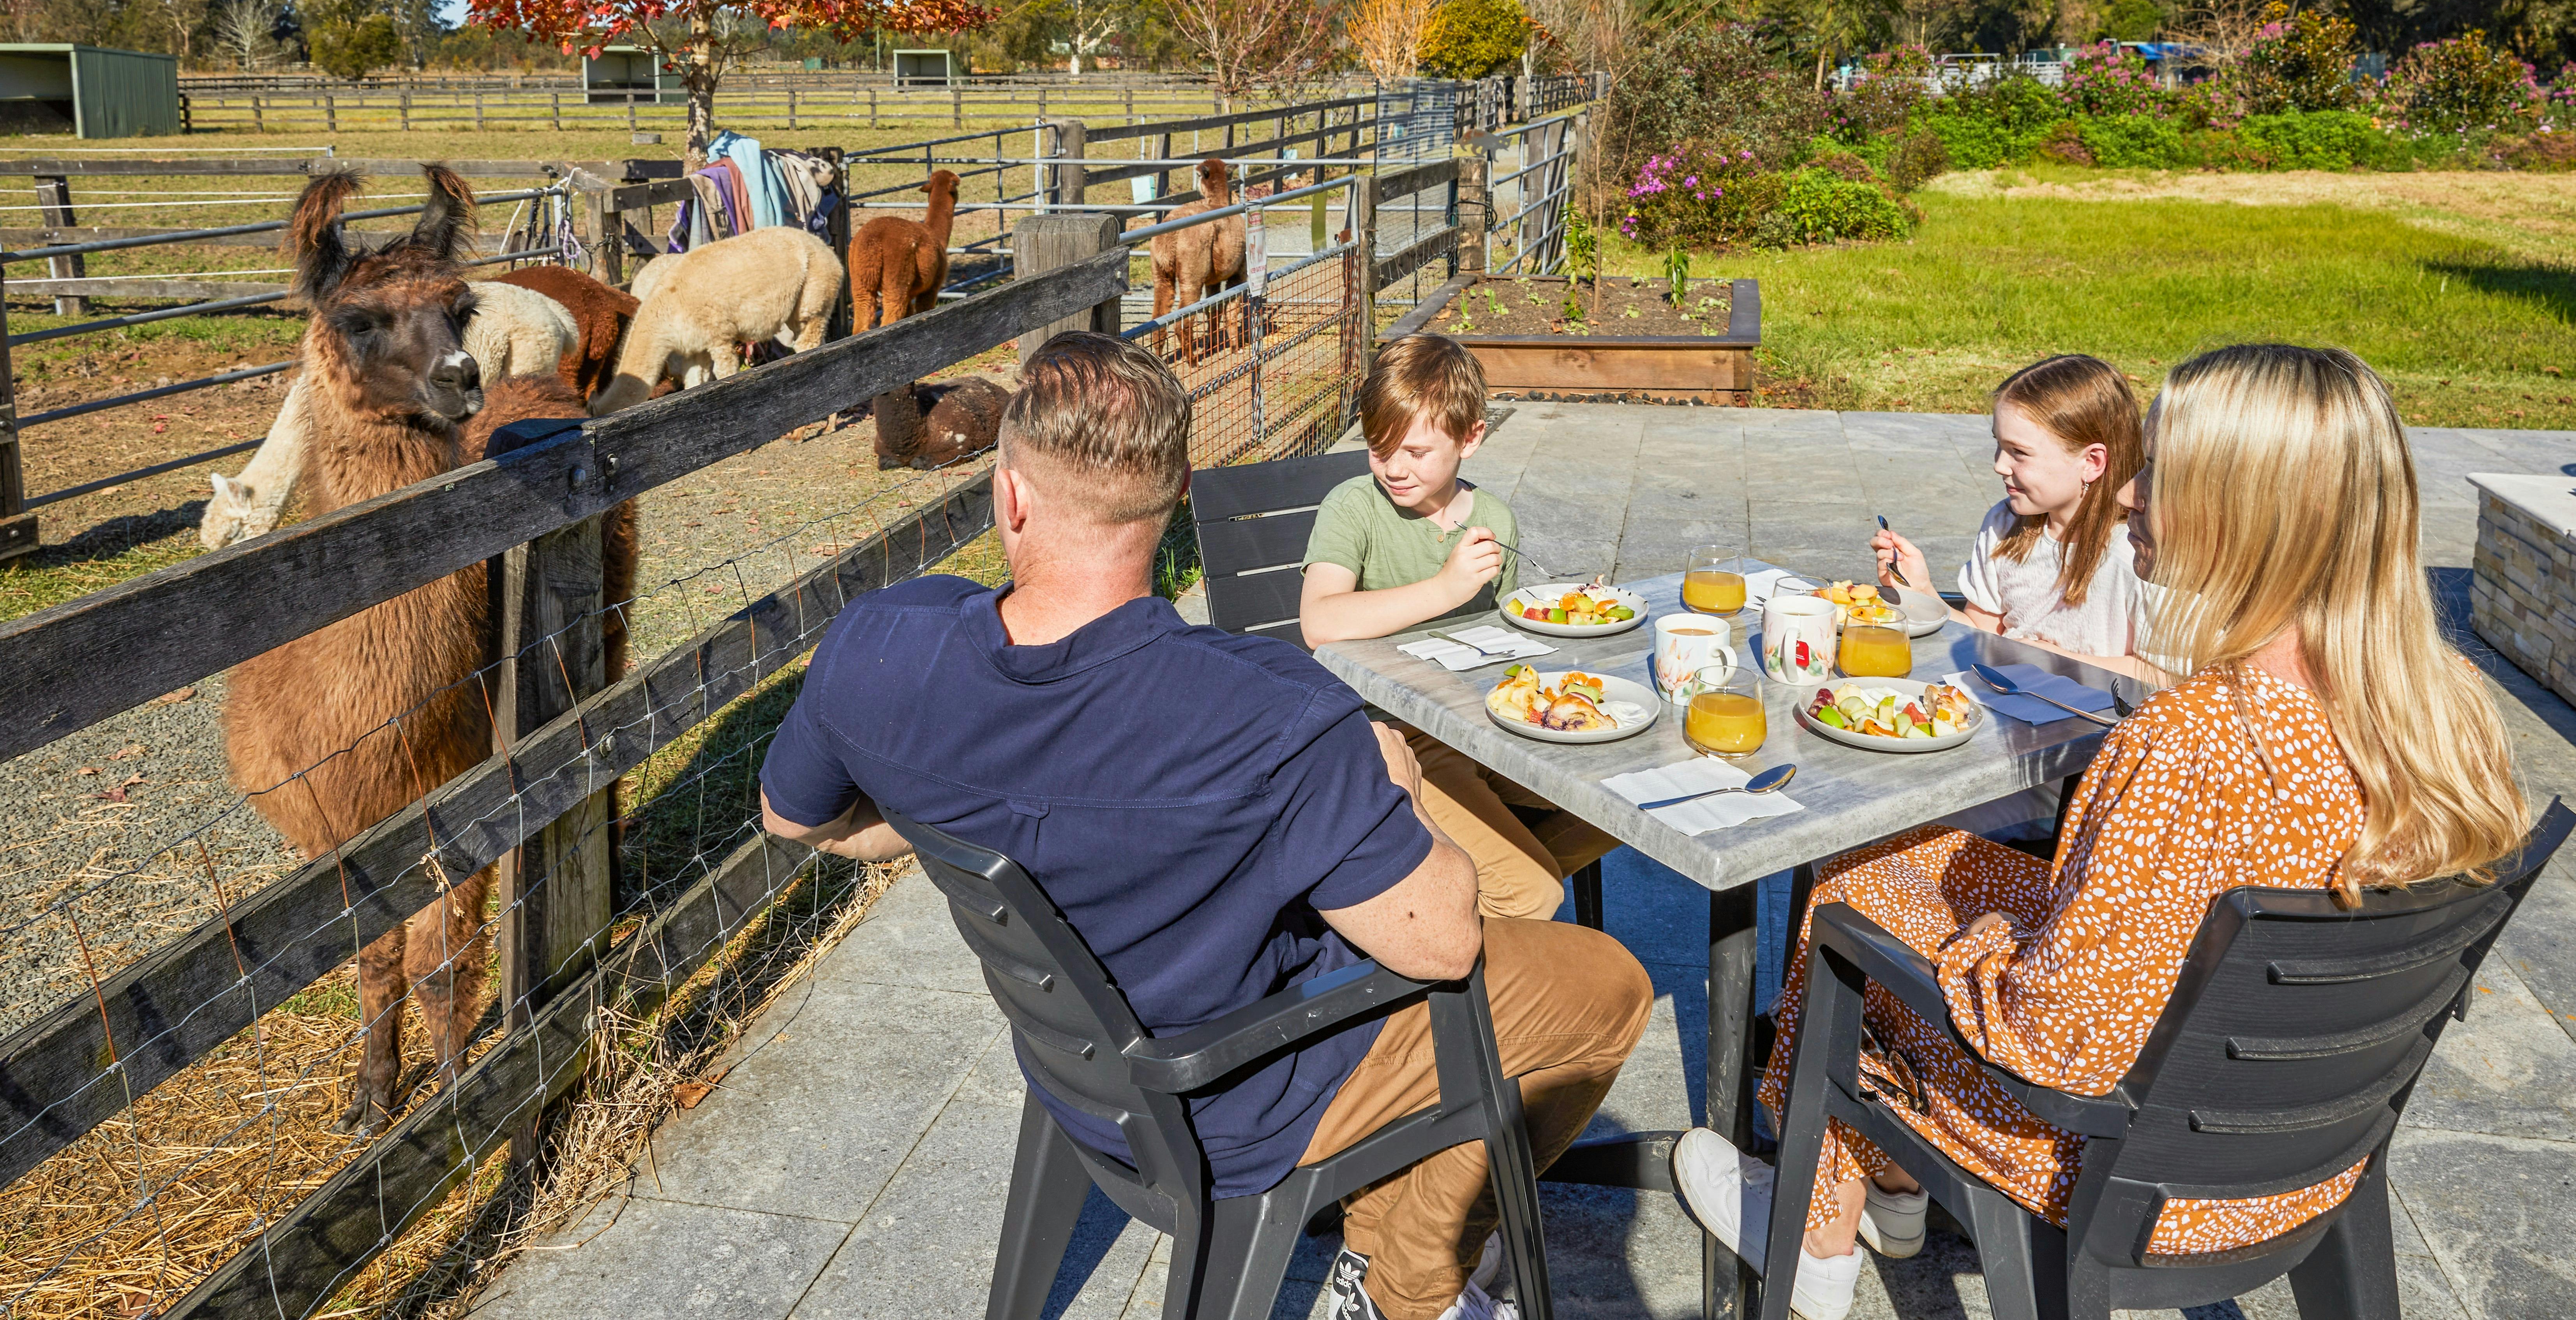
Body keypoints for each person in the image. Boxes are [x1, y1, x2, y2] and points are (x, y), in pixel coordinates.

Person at [759, 332, 1650, 1320]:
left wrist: (950, 814)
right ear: (1179, 492)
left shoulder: (877, 647)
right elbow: (1442, 945)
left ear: (1009, 494)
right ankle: (1407, 1283)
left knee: (1528, 851)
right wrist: (1390, 785)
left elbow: (800, 817)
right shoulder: (1271, 716)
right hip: (1242, 1093)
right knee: (1602, 984)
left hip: (1083, 1070)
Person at [1674, 344, 2529, 1320]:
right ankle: (1870, 1196)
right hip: (2307, 1141)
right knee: (1879, 857)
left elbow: (2057, 1041)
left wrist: (1972, 942)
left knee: (1844, 914)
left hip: (2131, 1164)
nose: (2126, 495)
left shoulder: (2188, 745)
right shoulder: (2444, 712)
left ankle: (1813, 1219)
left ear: (2240, 510)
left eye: (2155, 471)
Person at [1299, 333, 1618, 920]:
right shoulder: (1354, 507)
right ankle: (1485, 933)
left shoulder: (1494, 519)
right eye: (1378, 448)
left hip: (1483, 727)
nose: (1393, 468)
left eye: (1416, 452)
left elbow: (1515, 641)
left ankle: (1462, 901)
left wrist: (1571, 614)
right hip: (1399, 738)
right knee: (1533, 892)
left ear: (1471, 438)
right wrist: (1444, 589)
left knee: (1625, 807)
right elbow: (1320, 622)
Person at [1873, 352, 2151, 682]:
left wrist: (2044, 658)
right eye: (1999, 446)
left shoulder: (2142, 552)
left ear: (2091, 461)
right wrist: (1921, 590)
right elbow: (1983, 634)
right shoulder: (2005, 526)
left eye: (2019, 452)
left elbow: (2165, 675)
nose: (2000, 465)